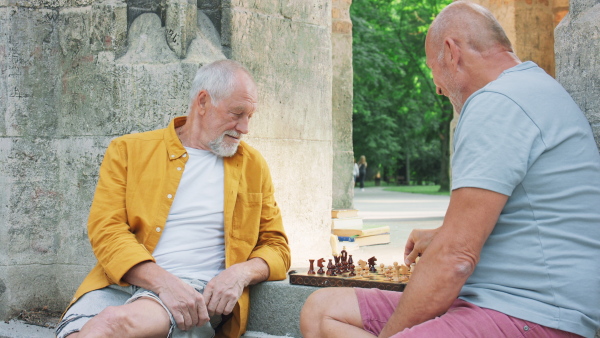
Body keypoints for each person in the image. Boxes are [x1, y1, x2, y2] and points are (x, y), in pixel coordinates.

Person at [300, 2, 600, 338]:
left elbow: (456, 258)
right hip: (500, 299)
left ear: (451, 52)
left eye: (433, 70)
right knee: (320, 312)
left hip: (533, 313)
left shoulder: (497, 103)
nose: (438, 88)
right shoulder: (528, 87)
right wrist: (441, 236)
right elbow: (519, 220)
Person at [56, 60, 291, 338]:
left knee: (110, 326)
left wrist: (240, 274)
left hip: (194, 292)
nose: (245, 127)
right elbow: (106, 230)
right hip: (119, 285)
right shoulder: (128, 150)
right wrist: (163, 283)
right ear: (202, 101)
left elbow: (277, 247)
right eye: (237, 113)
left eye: (250, 116)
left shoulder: (253, 164)